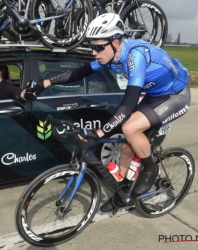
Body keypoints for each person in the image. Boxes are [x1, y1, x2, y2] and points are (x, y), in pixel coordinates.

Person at [24, 13, 191, 212]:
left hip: (176, 95)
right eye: (92, 46)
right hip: (155, 94)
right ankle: (122, 191)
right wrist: (45, 83)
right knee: (127, 146)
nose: (94, 52)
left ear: (116, 42)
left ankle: (151, 168)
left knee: (129, 127)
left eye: (98, 47)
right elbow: (79, 72)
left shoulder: (135, 56)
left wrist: (99, 133)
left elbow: (127, 104)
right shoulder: (110, 55)